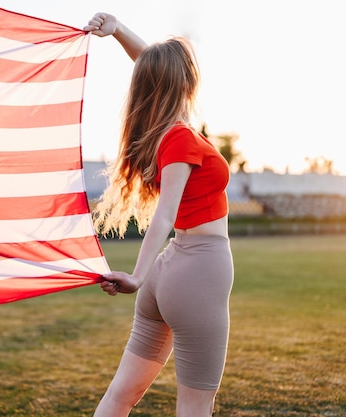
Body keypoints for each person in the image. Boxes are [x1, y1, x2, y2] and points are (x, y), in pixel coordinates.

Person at [83, 13, 234, 417]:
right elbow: (165, 214)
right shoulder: (180, 138)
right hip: (197, 274)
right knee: (195, 406)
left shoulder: (162, 133)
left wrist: (117, 31)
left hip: (169, 275)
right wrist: (135, 275)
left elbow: (150, 68)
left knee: (120, 396)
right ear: (183, 83)